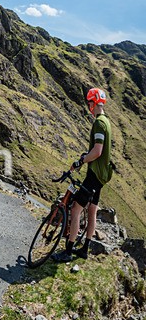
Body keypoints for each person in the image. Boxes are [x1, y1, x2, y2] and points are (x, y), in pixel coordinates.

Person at [52, 88, 114, 263]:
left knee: (76, 209)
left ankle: (68, 251)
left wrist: (81, 161)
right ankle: (85, 249)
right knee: (92, 210)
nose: (88, 106)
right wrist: (86, 155)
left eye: (89, 103)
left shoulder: (99, 123)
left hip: (94, 174)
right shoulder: (106, 121)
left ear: (93, 103)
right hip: (102, 175)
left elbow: (98, 151)